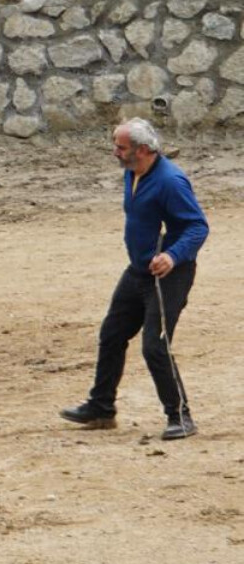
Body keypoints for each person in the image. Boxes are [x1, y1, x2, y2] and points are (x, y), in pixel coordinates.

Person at [61, 118, 209, 440]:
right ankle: (102, 409)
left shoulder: (171, 181)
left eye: (120, 147)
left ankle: (181, 416)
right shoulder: (133, 172)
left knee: (154, 346)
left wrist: (172, 255)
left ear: (142, 150)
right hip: (139, 270)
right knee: (112, 333)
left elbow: (198, 226)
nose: (115, 152)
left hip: (168, 274)